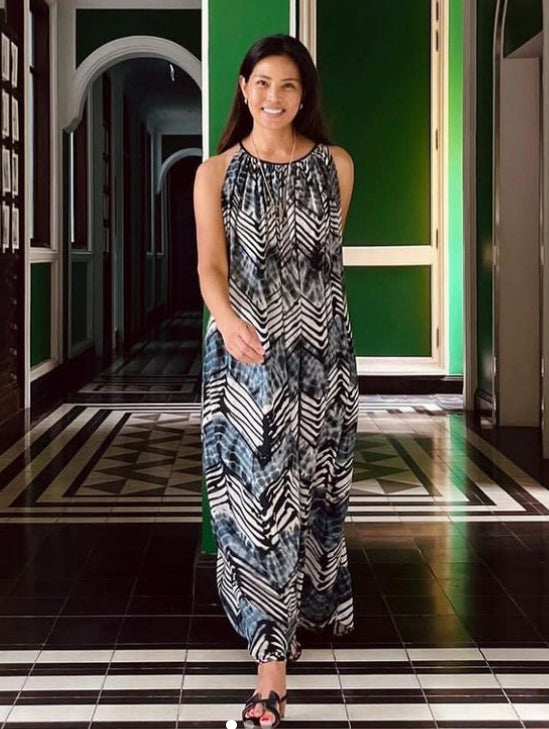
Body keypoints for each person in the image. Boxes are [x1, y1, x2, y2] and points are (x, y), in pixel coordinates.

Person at [194, 33, 359, 727]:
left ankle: (303, 610)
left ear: (303, 94)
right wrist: (228, 320)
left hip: (323, 360)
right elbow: (210, 266)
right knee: (261, 503)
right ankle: (271, 677)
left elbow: (322, 265)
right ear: (243, 87)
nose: (274, 96)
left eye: (288, 85)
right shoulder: (215, 174)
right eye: (262, 82)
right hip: (248, 356)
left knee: (316, 492)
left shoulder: (336, 166)